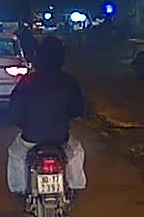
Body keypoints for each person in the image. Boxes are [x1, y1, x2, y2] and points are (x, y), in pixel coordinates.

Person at [6, 36, 87, 200]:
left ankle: (19, 190)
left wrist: (24, 123)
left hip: (30, 137)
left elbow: (14, 111)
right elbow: (78, 109)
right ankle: (75, 186)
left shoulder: (27, 81)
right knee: (76, 152)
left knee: (15, 154)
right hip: (60, 138)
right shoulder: (68, 81)